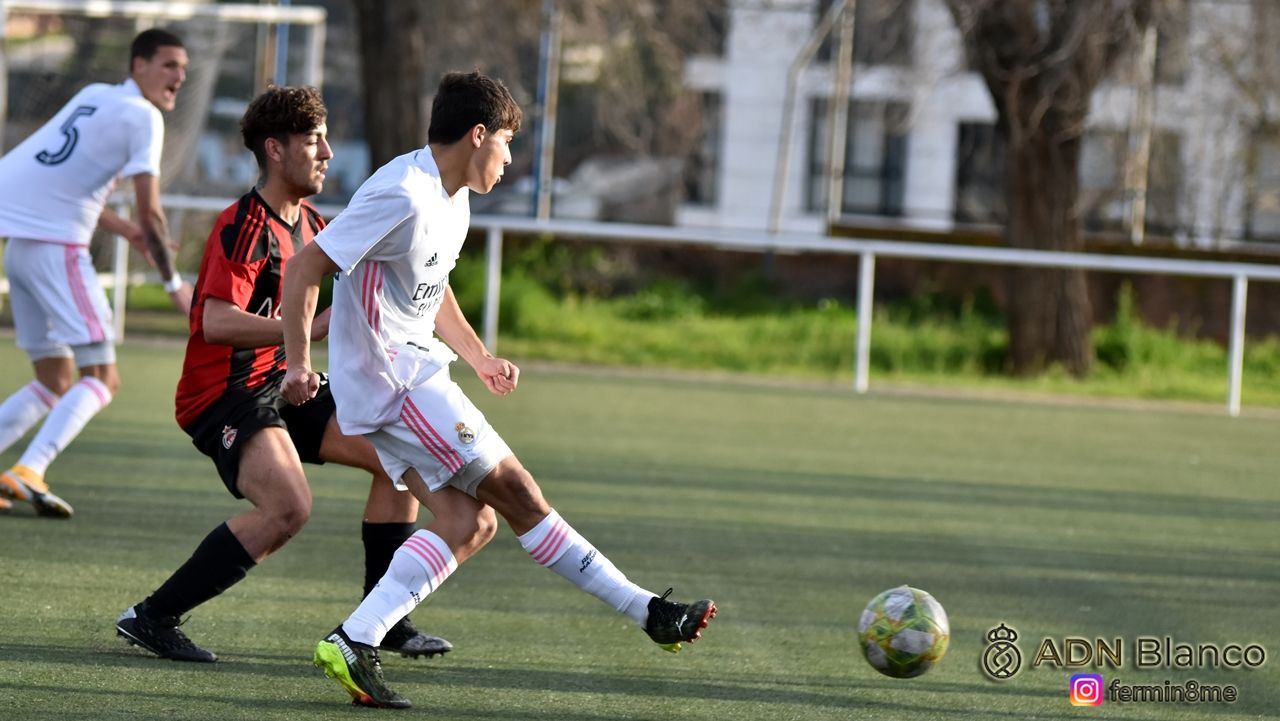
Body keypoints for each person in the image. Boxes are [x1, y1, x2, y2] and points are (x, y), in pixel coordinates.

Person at [281, 71, 716, 709]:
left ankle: (356, 638)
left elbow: (431, 288)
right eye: (508, 143)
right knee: (518, 492)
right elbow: (305, 265)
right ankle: (647, 611)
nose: (511, 159)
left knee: (470, 521)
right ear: (478, 134)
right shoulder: (402, 192)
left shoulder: (451, 198)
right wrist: (297, 363)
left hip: (410, 377)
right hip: (395, 383)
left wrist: (480, 357)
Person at [115, 85, 493, 663]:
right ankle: (152, 616)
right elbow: (214, 321)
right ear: (275, 149)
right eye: (314, 141)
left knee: (396, 458)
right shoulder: (244, 225)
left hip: (292, 384)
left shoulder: (316, 223)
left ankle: (384, 619)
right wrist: (305, 333)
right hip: (227, 393)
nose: (328, 154)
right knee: (288, 507)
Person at [0, 29, 193, 518]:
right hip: (58, 251)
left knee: (54, 377)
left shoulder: (95, 96)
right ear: (138, 65)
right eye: (169, 65)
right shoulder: (144, 116)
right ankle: (29, 470)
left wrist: (125, 230)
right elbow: (152, 211)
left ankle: (24, 469)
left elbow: (64, 183)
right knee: (103, 376)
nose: (179, 77)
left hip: (22, 248)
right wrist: (173, 284)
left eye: (183, 68)